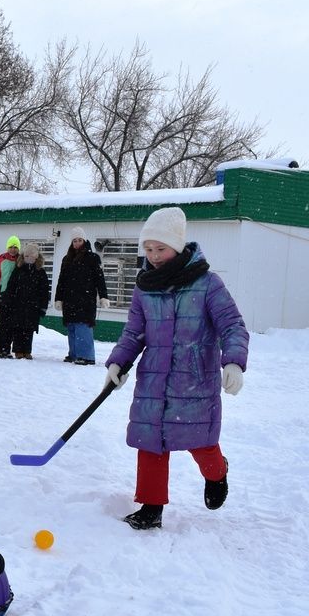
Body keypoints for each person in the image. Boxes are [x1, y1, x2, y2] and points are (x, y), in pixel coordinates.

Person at [104, 206, 249, 530]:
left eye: (161, 248)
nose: (153, 256)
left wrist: (234, 362)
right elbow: (134, 332)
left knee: (201, 441)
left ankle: (218, 473)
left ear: (179, 246)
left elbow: (232, 326)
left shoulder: (207, 283)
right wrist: (119, 361)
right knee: (150, 440)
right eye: (148, 249)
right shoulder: (145, 287)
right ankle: (151, 506)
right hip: (154, 379)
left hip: (194, 380)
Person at [54, 227, 110, 365]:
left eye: (79, 240)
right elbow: (61, 280)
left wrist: (103, 296)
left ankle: (86, 356)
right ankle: (74, 354)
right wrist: (58, 298)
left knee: (83, 326)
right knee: (72, 327)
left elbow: (99, 279)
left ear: (84, 241)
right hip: (69, 299)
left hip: (86, 300)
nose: (77, 243)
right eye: (74, 241)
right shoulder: (66, 259)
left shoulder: (93, 258)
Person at [4, 242, 51, 360]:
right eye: (26, 256)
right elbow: (11, 287)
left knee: (29, 330)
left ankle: (27, 351)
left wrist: (43, 306)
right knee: (18, 329)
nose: (29, 259)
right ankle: (18, 350)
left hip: (33, 307)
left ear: (36, 257)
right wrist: (8, 301)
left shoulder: (41, 272)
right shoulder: (18, 270)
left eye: (31, 256)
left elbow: (44, 291)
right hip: (18, 305)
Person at [0, 236, 22, 358]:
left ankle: (6, 349)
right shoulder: (2, 260)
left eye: (15, 247)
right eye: (11, 247)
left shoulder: (20, 261)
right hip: (3, 295)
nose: (13, 249)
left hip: (15, 297)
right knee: (3, 323)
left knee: (12, 324)